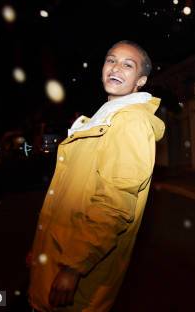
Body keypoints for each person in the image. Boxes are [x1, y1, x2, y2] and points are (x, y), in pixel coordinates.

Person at [28, 41, 165, 312]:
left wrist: (74, 267)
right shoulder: (103, 119)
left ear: (141, 80)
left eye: (128, 65)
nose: (116, 68)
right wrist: (43, 249)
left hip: (79, 270)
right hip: (60, 256)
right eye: (111, 60)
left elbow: (114, 204)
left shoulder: (130, 123)